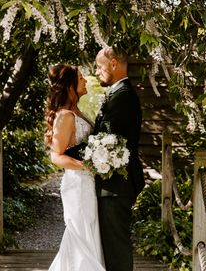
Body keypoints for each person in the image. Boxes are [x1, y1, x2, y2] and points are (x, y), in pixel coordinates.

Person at [44, 64, 106, 271]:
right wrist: (87, 166)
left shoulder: (76, 111)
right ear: (70, 86)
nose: (86, 80)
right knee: (81, 235)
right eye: (80, 78)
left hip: (87, 182)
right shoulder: (65, 116)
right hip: (77, 184)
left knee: (88, 234)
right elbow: (56, 156)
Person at [94, 46, 145, 271]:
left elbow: (106, 137)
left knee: (117, 250)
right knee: (111, 248)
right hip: (111, 185)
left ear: (113, 64)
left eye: (99, 66)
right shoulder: (118, 94)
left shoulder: (124, 97)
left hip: (116, 185)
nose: (96, 72)